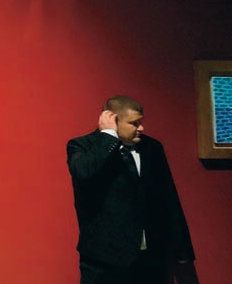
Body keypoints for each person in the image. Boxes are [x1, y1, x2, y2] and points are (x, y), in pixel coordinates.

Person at [66, 95, 198, 284]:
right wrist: (108, 136)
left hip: (150, 258)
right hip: (103, 260)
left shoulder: (152, 147)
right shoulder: (83, 145)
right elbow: (84, 172)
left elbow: (169, 198)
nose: (141, 128)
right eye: (134, 123)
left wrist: (183, 251)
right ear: (113, 120)